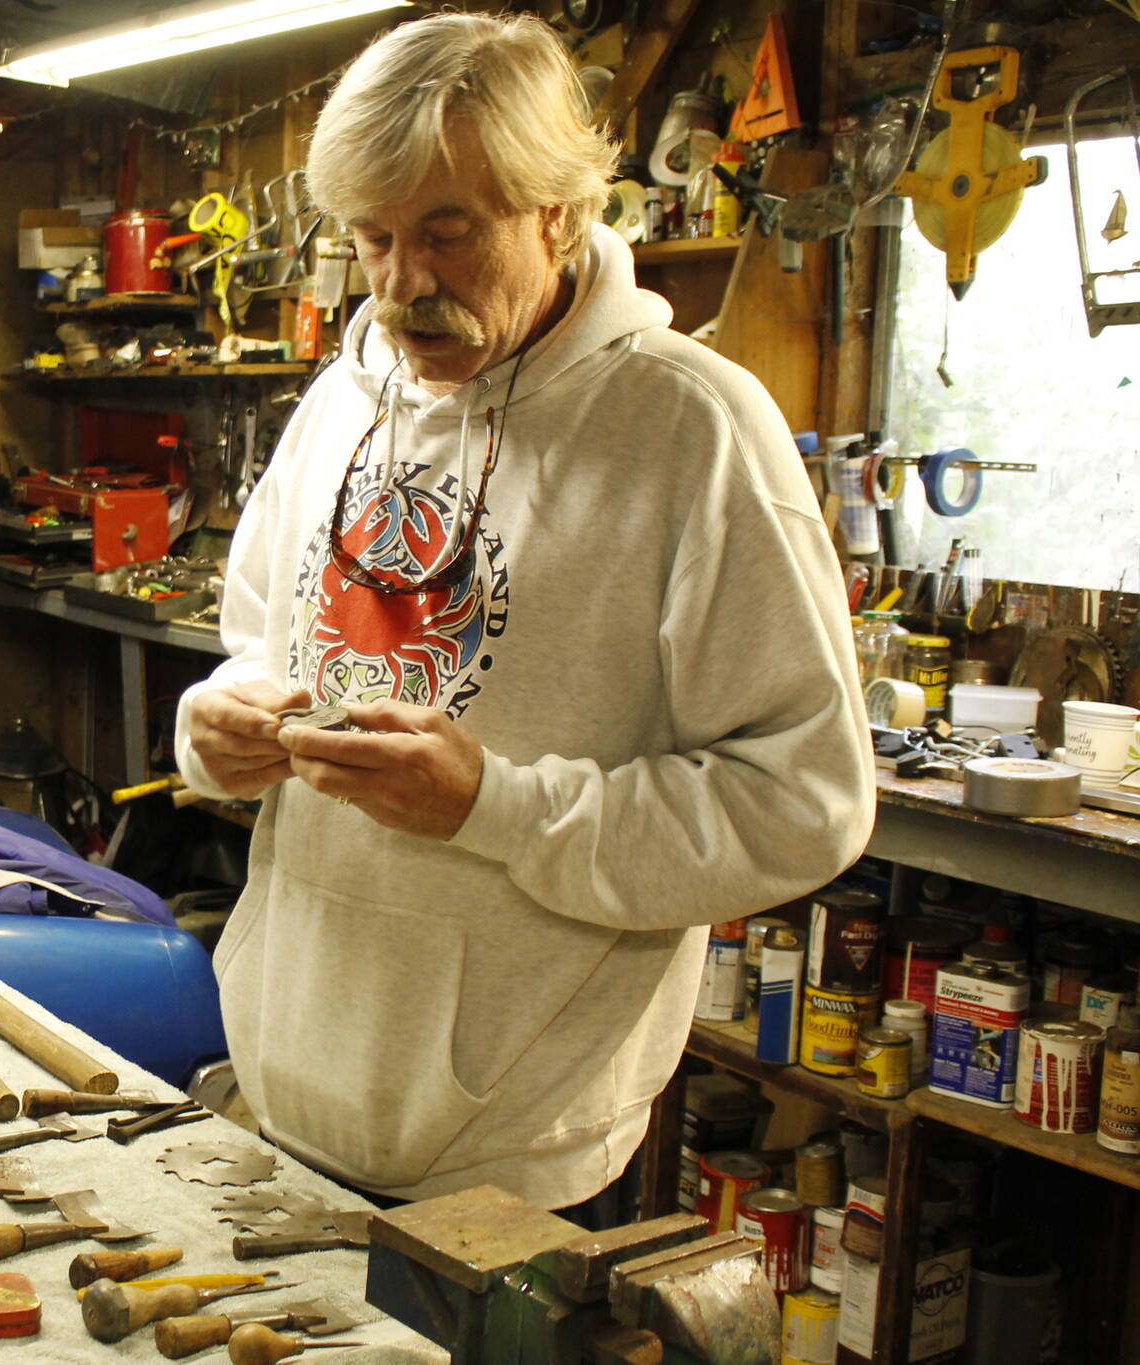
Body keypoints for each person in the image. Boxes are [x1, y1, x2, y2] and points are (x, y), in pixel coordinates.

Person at [173, 11, 873, 1214]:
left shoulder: (689, 430)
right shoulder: (335, 409)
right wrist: (218, 730)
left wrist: (492, 807)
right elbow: (254, 645)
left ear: (556, 209)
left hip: (511, 1142)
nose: (401, 285)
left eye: (446, 232)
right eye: (373, 238)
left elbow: (799, 806)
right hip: (287, 1079)